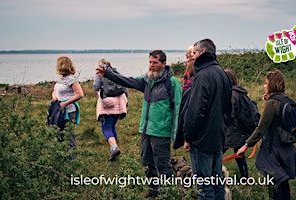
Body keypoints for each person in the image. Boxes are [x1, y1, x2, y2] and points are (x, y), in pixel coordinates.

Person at [95, 50, 182, 197]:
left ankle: (169, 193)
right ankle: (154, 190)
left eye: (155, 63)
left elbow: (178, 108)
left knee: (163, 164)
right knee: (146, 162)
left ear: (164, 64)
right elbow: (127, 81)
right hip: (146, 130)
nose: (151, 65)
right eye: (150, 62)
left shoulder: (172, 83)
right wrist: (108, 75)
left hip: (161, 131)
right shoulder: (147, 80)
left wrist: (177, 135)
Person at [237, 70, 296, 200]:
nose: (264, 86)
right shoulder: (285, 100)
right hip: (286, 147)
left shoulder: (272, 103)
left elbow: (261, 128)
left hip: (274, 148)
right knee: (283, 181)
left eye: (266, 83)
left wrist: (246, 145)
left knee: (274, 182)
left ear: (272, 85)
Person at [182, 38, 232, 199]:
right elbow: (228, 108)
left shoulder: (202, 75)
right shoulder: (222, 73)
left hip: (202, 140)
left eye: (194, 53)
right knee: (217, 183)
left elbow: (196, 111)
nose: (192, 57)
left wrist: (188, 137)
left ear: (203, 52)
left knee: (204, 187)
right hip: (217, 137)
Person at [93, 58, 128, 161]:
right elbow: (124, 87)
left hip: (106, 104)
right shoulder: (116, 72)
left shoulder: (100, 73)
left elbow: (96, 86)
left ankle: (114, 147)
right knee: (112, 126)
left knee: (106, 128)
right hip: (119, 104)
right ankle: (115, 151)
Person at [51, 56, 84, 159]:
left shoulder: (72, 79)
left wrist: (65, 103)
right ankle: (60, 158)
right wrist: (54, 97)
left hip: (69, 112)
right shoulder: (60, 79)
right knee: (58, 133)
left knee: (69, 136)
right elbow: (55, 91)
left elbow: (80, 94)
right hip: (59, 111)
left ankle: (72, 160)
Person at [222, 69, 249, 178]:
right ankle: (245, 179)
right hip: (240, 131)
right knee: (240, 157)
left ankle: (213, 178)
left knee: (216, 154)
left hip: (232, 131)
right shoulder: (240, 92)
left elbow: (230, 114)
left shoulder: (232, 94)